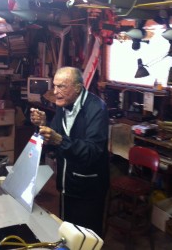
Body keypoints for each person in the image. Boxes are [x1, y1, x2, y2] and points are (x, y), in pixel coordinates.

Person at [30, 66, 110, 237]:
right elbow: (54, 141)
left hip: (88, 188)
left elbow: (92, 151)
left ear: (78, 88)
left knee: (86, 239)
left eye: (62, 87)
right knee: (67, 233)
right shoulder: (63, 103)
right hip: (67, 185)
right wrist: (44, 125)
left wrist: (59, 140)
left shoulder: (97, 109)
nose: (55, 92)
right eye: (55, 86)